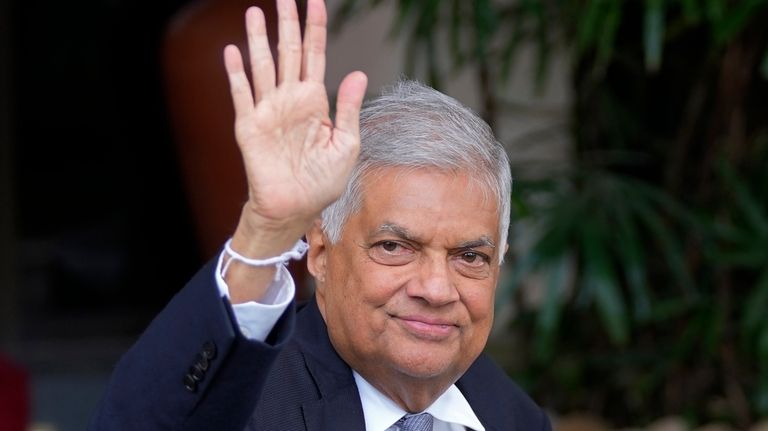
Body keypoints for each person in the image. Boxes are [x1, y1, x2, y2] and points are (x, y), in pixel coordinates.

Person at [88, 0, 552, 429]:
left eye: (469, 257)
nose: (435, 288)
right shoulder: (252, 403)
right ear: (321, 253)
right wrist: (265, 232)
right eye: (394, 247)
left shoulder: (513, 416)